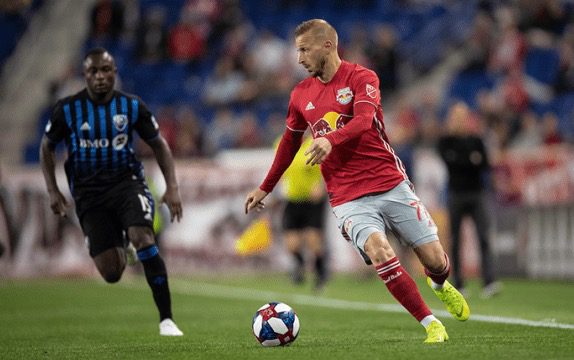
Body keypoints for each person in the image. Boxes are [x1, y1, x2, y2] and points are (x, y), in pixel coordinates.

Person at [245, 19, 469, 343]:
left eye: (304, 50)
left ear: (327, 46)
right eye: (297, 51)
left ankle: (439, 284)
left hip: (389, 181)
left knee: (435, 260)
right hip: (346, 196)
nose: (299, 59)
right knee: (379, 251)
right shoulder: (299, 94)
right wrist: (265, 186)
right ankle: (431, 323)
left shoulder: (363, 77)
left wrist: (330, 139)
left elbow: (364, 121)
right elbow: (289, 145)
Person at [39, 47, 184, 336]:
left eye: (106, 70)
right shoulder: (67, 109)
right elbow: (46, 147)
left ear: (114, 73)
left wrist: (172, 187)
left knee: (143, 237)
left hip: (127, 182)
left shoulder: (131, 106)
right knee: (111, 273)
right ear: (85, 75)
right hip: (88, 193)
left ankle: (166, 319)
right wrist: (53, 190)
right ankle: (122, 241)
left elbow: (159, 145)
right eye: (94, 71)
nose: (101, 76)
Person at [438, 102, 502, 299]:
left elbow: (484, 164)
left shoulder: (476, 140)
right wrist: (470, 160)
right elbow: (452, 163)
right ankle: (458, 282)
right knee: (455, 240)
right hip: (456, 194)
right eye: (456, 116)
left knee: (483, 236)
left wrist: (465, 160)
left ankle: (489, 281)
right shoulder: (445, 141)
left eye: (463, 116)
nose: (459, 120)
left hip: (476, 193)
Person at [279, 135, 329, 291]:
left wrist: (322, 184)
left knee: (313, 241)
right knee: (291, 244)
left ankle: (321, 275)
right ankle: (299, 265)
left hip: (312, 201)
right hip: (292, 199)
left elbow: (329, 165)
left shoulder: (316, 142)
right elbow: (280, 166)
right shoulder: (282, 142)